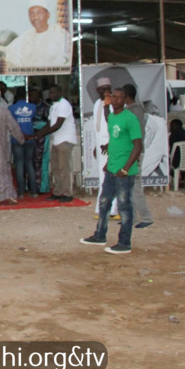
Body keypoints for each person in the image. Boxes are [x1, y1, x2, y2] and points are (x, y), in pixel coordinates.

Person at [80, 88, 143, 255]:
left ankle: (124, 243)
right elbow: (115, 141)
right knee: (104, 202)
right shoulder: (113, 117)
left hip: (123, 171)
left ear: (125, 100)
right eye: (113, 97)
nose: (115, 100)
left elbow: (138, 146)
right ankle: (99, 235)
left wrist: (126, 168)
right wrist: (108, 162)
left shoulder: (130, 118)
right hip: (112, 168)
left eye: (119, 97)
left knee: (124, 207)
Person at [34, 84, 77, 203]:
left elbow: (58, 125)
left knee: (64, 168)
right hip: (57, 140)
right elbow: (49, 123)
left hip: (65, 140)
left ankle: (67, 193)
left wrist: (43, 134)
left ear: (60, 92)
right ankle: (58, 192)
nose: (51, 95)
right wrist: (39, 133)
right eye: (50, 93)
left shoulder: (64, 104)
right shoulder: (54, 106)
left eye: (53, 93)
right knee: (55, 168)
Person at [3, 0, 71, 68]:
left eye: (40, 13)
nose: (35, 17)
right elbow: (11, 53)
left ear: (48, 15)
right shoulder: (25, 37)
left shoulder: (59, 34)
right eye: (31, 14)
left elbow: (65, 59)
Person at [124, 84, 154, 228]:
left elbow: (136, 133)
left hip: (134, 151)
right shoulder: (131, 109)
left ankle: (146, 217)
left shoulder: (135, 110)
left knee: (135, 185)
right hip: (129, 151)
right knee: (128, 186)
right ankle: (133, 217)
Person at [88, 78, 117, 217]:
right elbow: (97, 128)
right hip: (101, 145)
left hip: (110, 144)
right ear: (98, 91)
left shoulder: (113, 104)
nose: (107, 92)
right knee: (102, 176)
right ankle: (103, 208)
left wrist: (111, 144)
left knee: (110, 176)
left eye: (108, 89)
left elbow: (113, 125)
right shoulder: (96, 104)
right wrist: (96, 144)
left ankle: (112, 209)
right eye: (103, 89)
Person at [9, 89, 38, 198]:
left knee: (19, 164)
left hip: (16, 139)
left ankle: (21, 192)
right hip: (30, 139)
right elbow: (34, 118)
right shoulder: (32, 107)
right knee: (29, 164)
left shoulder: (11, 108)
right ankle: (34, 191)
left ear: (16, 97)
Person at [30, 88, 51, 193]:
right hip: (31, 137)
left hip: (42, 137)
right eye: (30, 95)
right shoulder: (29, 107)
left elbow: (49, 123)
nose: (31, 97)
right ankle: (31, 185)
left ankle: (41, 186)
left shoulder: (45, 107)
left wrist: (40, 132)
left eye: (34, 95)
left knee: (41, 161)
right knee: (31, 161)